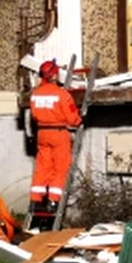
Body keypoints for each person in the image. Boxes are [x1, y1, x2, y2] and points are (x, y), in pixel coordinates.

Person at [28, 60, 82, 229]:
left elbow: (34, 116)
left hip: (42, 133)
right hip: (59, 133)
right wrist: (80, 120)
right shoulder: (62, 94)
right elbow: (72, 118)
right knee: (60, 167)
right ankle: (53, 201)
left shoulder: (35, 94)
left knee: (42, 166)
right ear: (54, 75)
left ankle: (35, 201)